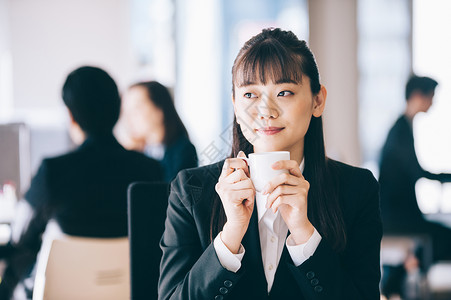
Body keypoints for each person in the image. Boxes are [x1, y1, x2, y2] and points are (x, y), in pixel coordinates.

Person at [158, 28, 382, 299]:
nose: (266, 111)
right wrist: (231, 235)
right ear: (235, 106)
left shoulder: (356, 189)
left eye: (284, 92)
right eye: (250, 95)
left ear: (318, 100)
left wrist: (304, 233)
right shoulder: (191, 190)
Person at [0, 66, 163, 299]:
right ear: (118, 109)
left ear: (71, 116)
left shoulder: (53, 171)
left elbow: (20, 235)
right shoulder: (150, 169)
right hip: (131, 291)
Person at [379, 75, 451, 298]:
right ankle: (397, 277)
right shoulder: (401, 130)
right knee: (445, 239)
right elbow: (416, 172)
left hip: (399, 213)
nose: (433, 102)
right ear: (419, 96)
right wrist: (446, 177)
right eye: (432, 96)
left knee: (437, 237)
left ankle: (397, 277)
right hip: (396, 216)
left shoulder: (402, 127)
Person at [119, 81, 198, 182]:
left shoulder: (183, 151)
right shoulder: (133, 152)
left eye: (137, 108)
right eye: (126, 111)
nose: (129, 118)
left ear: (159, 110)